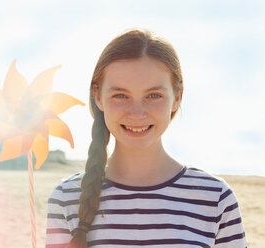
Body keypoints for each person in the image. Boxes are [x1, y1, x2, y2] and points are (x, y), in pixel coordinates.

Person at [45, 29, 247, 248]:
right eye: (120, 95)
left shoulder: (216, 198)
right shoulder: (66, 197)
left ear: (177, 97)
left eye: (154, 95)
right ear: (98, 96)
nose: (137, 113)